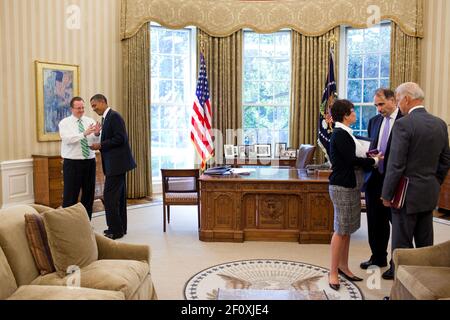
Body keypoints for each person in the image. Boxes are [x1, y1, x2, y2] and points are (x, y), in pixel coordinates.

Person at [381, 82, 450, 279]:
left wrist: (387, 194)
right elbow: (446, 160)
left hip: (405, 195)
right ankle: (424, 282)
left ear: (406, 99)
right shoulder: (439, 123)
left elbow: (396, 165)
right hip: (428, 193)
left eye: (398, 99)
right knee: (425, 243)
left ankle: (401, 289)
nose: (398, 103)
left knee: (401, 246)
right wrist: (434, 182)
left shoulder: (403, 124)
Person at [328, 99, 381, 291]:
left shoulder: (346, 133)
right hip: (342, 186)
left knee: (347, 229)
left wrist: (370, 158)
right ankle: (333, 272)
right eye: (352, 111)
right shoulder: (340, 134)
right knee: (341, 230)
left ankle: (343, 267)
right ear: (345, 114)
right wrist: (373, 161)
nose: (355, 113)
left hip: (350, 186)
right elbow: (351, 160)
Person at [360, 88, 402, 278]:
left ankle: (397, 264)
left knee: (398, 224)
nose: (378, 109)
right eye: (376, 105)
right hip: (375, 178)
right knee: (375, 222)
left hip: (396, 181)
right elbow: (373, 146)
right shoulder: (374, 121)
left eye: (381, 104)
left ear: (393, 100)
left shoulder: (405, 120)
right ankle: (378, 257)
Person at [89, 94, 136, 240]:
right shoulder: (106, 118)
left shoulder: (114, 116)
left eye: (94, 105)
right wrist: (98, 135)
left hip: (117, 164)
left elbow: (120, 138)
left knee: (109, 197)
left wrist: (100, 145)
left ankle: (115, 231)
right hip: (116, 164)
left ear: (103, 102)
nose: (93, 109)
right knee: (119, 198)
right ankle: (120, 228)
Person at [58, 96, 101, 219]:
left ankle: (86, 222)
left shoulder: (90, 121)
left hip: (89, 161)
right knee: (70, 195)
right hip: (72, 163)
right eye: (78, 108)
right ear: (72, 109)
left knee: (88, 194)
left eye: (82, 107)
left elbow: (94, 140)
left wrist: (97, 134)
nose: (81, 110)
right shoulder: (64, 123)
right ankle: (68, 224)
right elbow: (67, 139)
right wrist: (84, 133)